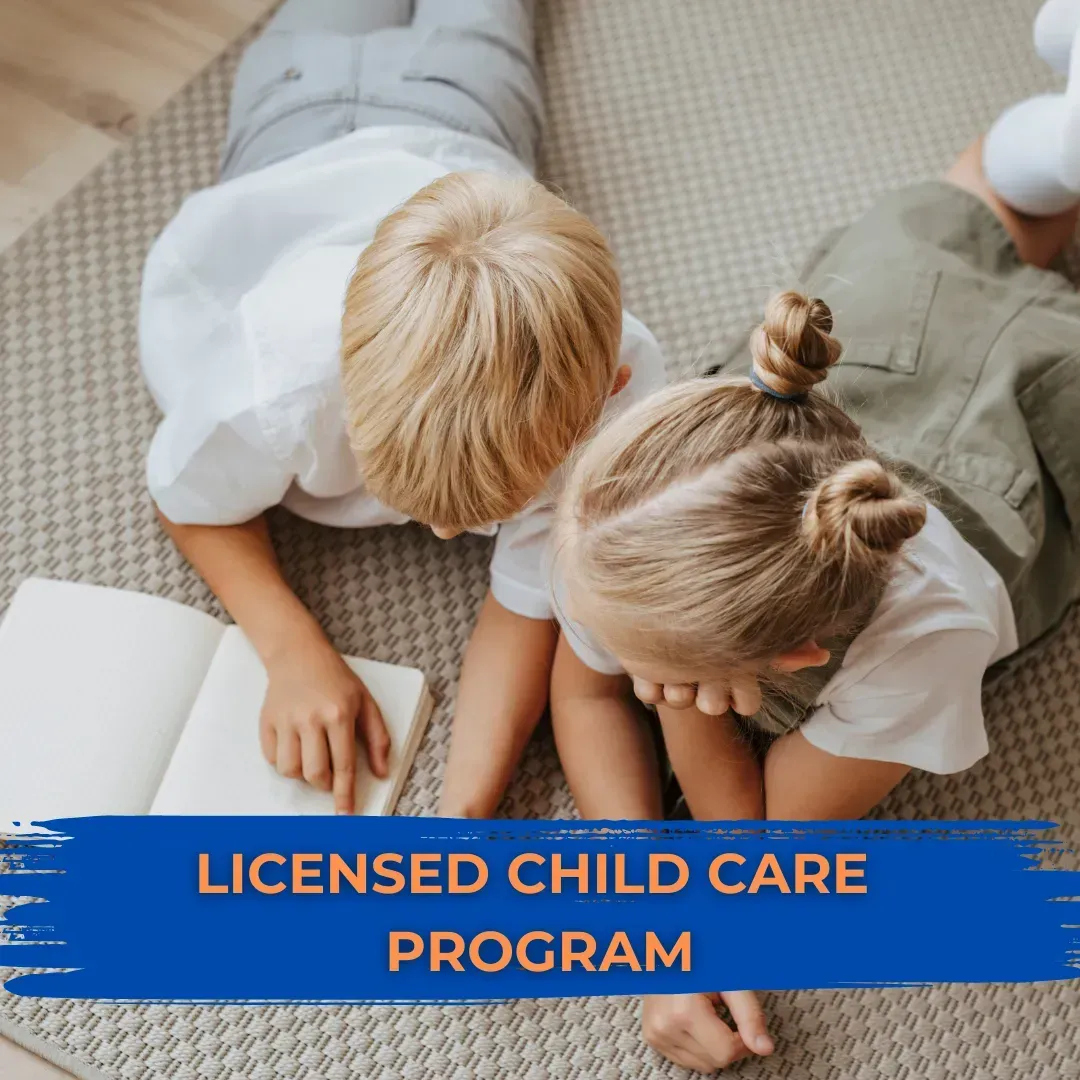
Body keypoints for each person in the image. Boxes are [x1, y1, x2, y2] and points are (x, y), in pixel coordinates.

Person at [549, 126, 1080, 1071]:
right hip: (880, 367)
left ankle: (1056, 143)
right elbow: (583, 695)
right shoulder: (620, 526)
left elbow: (755, 841)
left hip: (1010, 460)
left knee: (1024, 311)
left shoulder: (925, 648)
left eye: (650, 672)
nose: (606, 659)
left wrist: (678, 718)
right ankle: (1055, 138)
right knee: (961, 225)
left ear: (792, 661)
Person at [139, 0, 666, 817]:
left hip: (464, 106)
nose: (450, 537)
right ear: (345, 394)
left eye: (477, 514)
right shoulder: (278, 380)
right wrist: (290, 646)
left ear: (607, 395)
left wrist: (462, 820)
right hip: (296, 106)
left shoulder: (617, 386)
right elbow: (186, 500)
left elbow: (522, 607)